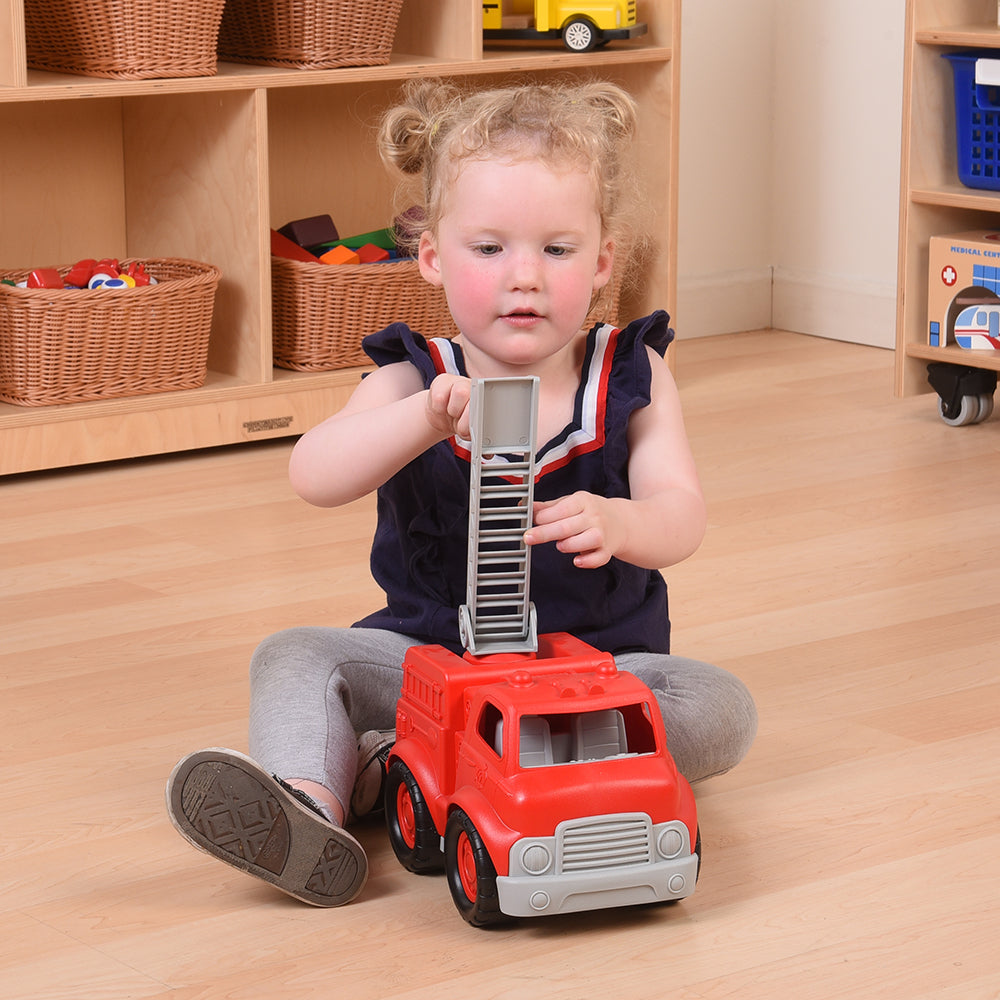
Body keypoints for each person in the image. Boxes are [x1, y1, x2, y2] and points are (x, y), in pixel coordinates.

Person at [166, 78, 757, 908]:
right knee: (294, 655)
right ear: (434, 257)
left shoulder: (634, 374)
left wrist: (624, 521)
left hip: (592, 675)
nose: (525, 278)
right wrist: (419, 422)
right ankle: (308, 806)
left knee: (721, 705)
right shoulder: (414, 376)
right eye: (490, 249)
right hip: (433, 663)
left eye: (556, 250)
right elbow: (314, 474)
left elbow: (682, 515)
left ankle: (405, 764)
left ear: (602, 262)